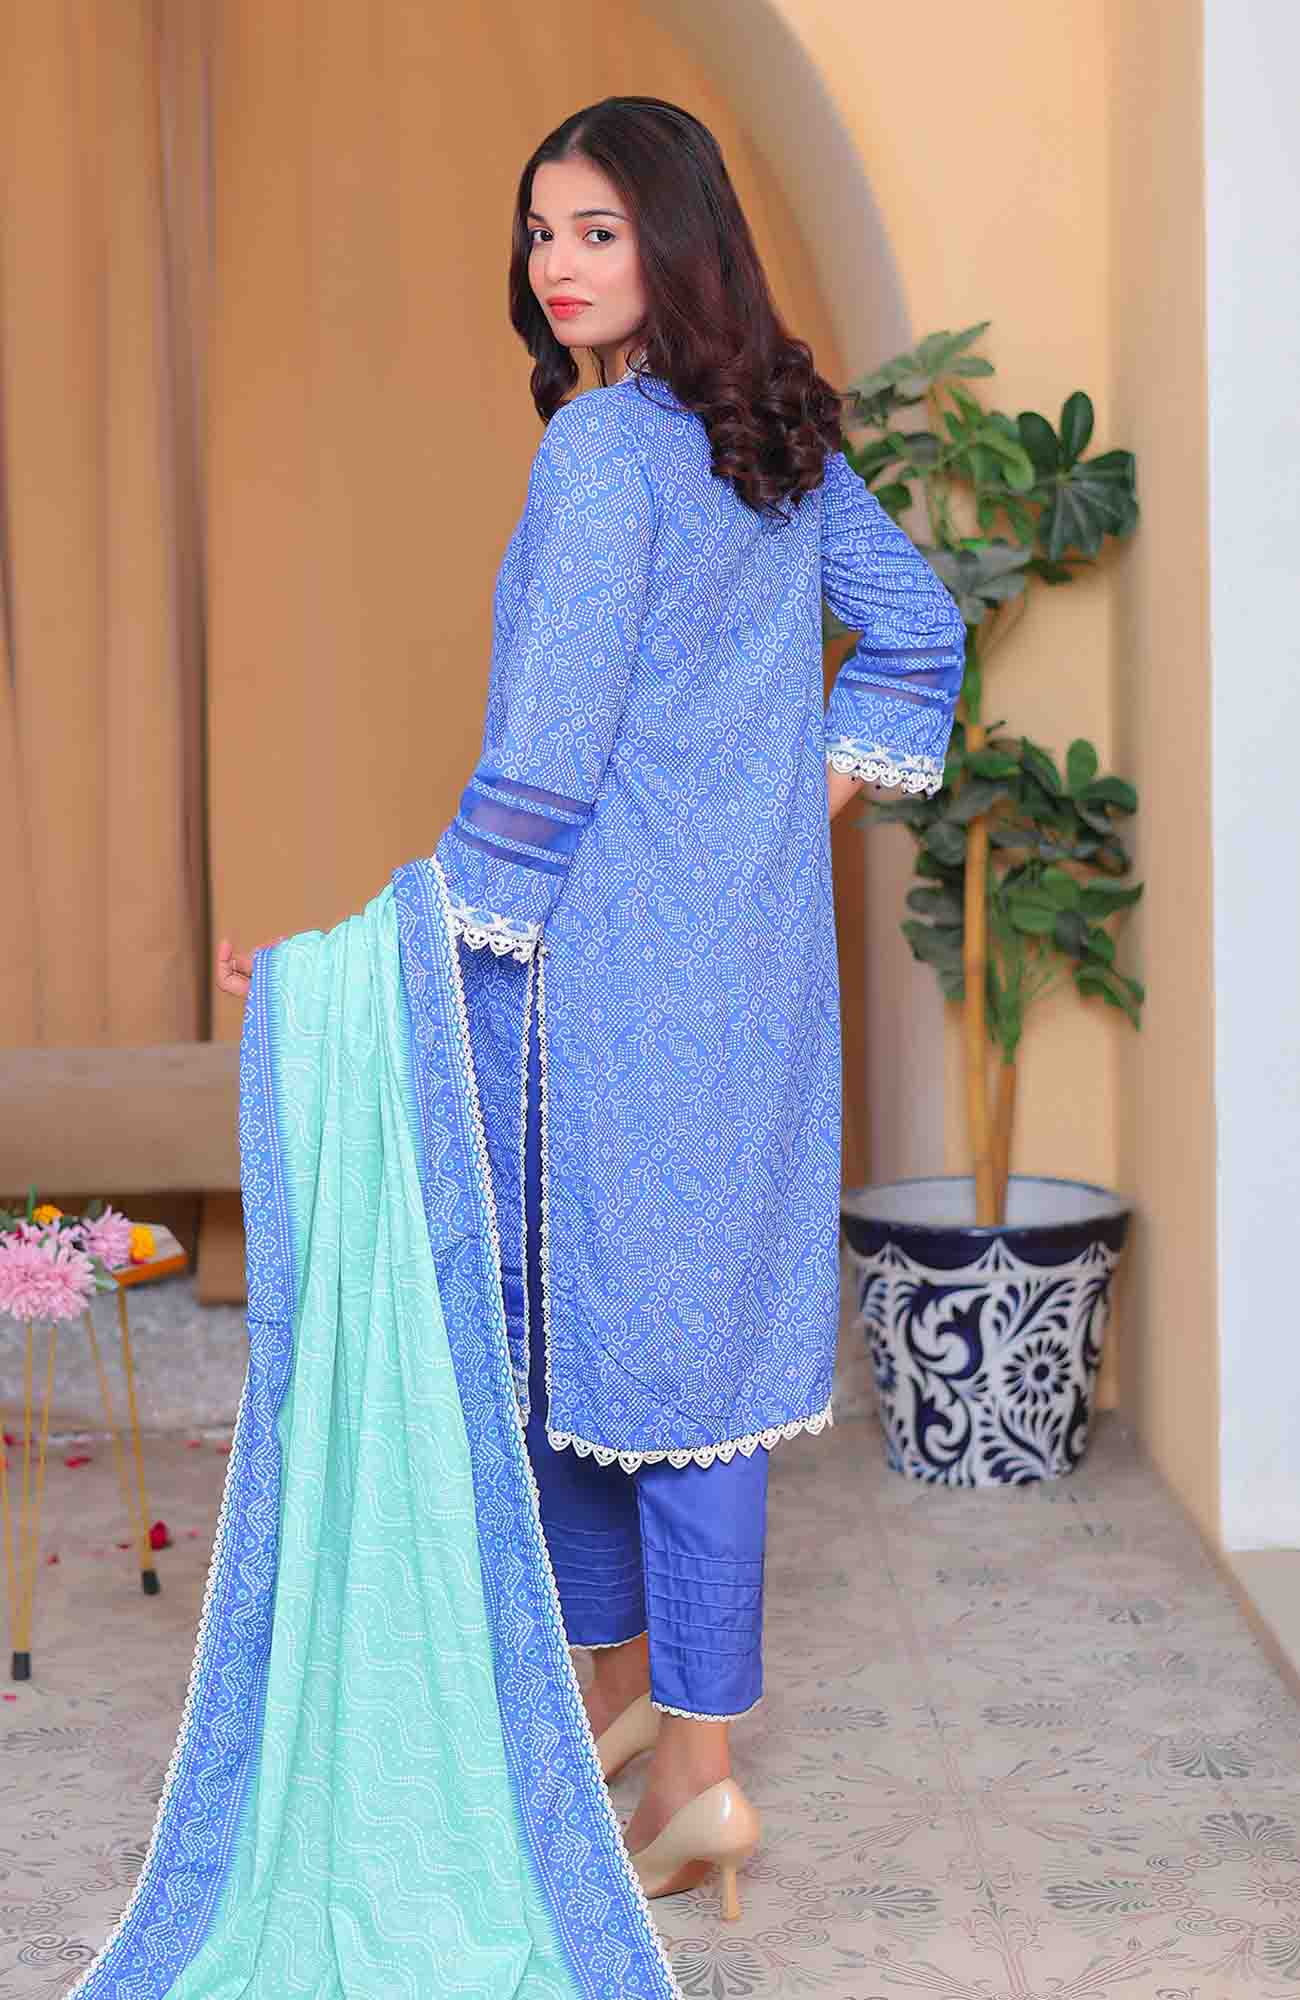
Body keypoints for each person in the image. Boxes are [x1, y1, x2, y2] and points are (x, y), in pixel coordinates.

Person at [215, 94, 964, 1927]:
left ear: (676, 241)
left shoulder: (607, 456)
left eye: (597, 231)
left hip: (601, 980)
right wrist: (771, 819)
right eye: (541, 231)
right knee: (661, 1351)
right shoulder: (774, 438)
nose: (555, 265)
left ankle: (692, 1777)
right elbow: (920, 635)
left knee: (605, 1345)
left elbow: (541, 775)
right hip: (754, 979)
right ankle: (644, 1727)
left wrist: (362, 956)